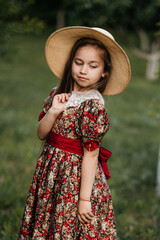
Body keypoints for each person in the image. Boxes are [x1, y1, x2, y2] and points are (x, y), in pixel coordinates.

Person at [18, 26, 131, 239]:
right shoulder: (57, 93)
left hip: (76, 177)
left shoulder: (92, 105)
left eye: (93, 65)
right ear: (71, 62)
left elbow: (91, 154)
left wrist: (84, 199)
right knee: (48, 220)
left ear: (104, 71)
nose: (83, 70)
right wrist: (53, 111)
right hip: (51, 172)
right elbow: (41, 134)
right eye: (78, 63)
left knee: (71, 226)